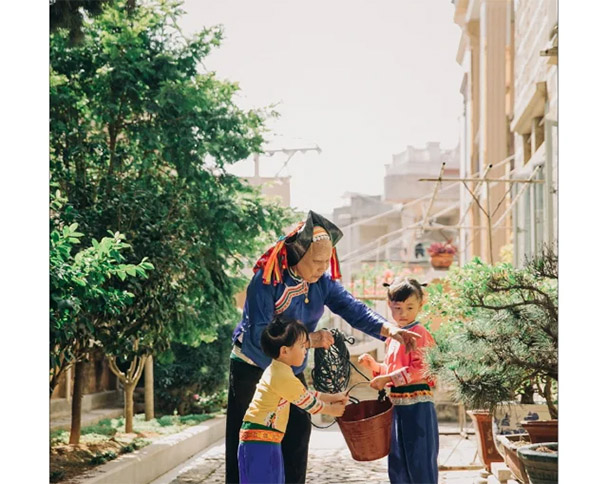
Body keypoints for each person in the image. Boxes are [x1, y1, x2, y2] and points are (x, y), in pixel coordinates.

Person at [226, 210, 421, 484]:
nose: (322, 268)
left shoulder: (322, 283)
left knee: (296, 434)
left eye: (326, 262)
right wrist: (309, 340)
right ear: (297, 254)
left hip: (289, 367)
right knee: (247, 440)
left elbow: (352, 308)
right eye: (316, 261)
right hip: (253, 367)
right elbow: (260, 335)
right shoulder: (267, 280)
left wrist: (389, 330)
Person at [238, 315, 347, 484]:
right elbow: (308, 403)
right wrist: (333, 410)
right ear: (285, 351)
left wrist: (334, 397)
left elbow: (304, 394)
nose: (305, 351)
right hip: (260, 441)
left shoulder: (281, 370)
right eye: (302, 346)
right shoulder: (281, 375)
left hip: (264, 440)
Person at [358, 277, 439, 484]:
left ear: (421, 304)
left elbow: (420, 369)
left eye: (409, 307)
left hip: (418, 406)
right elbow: (393, 369)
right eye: (397, 308)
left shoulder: (420, 334)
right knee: (398, 459)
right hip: (397, 406)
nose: (402, 314)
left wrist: (386, 377)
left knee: (419, 459)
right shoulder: (393, 338)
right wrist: (375, 367)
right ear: (389, 306)